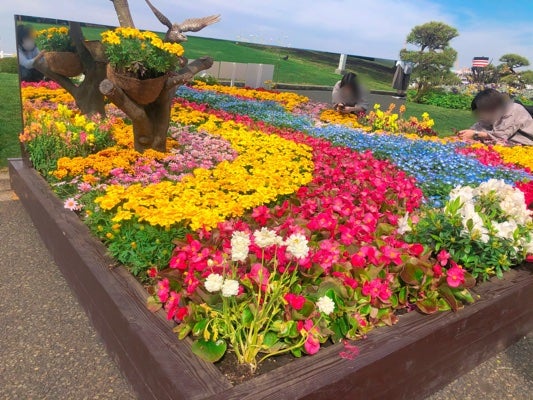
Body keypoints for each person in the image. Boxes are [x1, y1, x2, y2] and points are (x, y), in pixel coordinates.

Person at [458, 88, 533, 145]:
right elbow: (479, 126)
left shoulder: (514, 110)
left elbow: (501, 136)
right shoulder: (491, 113)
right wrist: (465, 134)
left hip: (525, 146)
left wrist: (476, 134)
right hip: (508, 145)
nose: (481, 115)